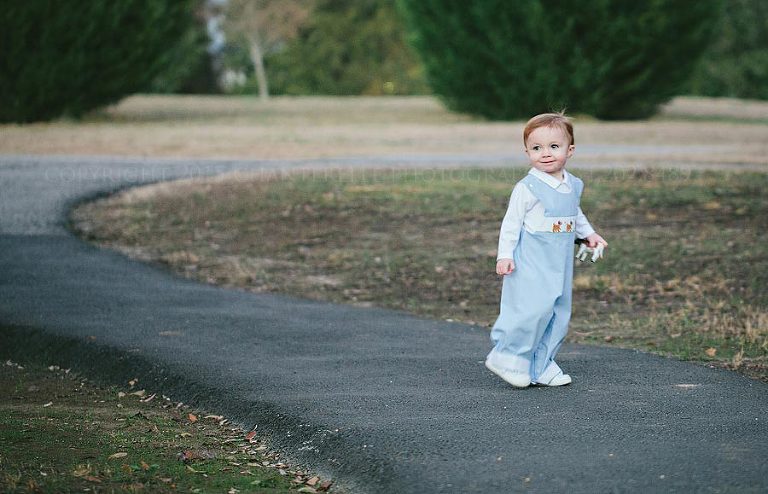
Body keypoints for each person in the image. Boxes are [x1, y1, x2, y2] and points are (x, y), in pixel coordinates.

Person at [486, 112, 607, 388]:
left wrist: (588, 234)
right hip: (531, 260)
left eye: (554, 146)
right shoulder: (527, 187)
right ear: (527, 152)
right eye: (536, 148)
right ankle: (508, 356)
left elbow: (574, 213)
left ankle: (541, 363)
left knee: (558, 310)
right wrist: (504, 255)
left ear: (570, 150)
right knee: (532, 309)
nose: (546, 154)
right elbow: (511, 224)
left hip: (559, 261)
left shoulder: (572, 184)